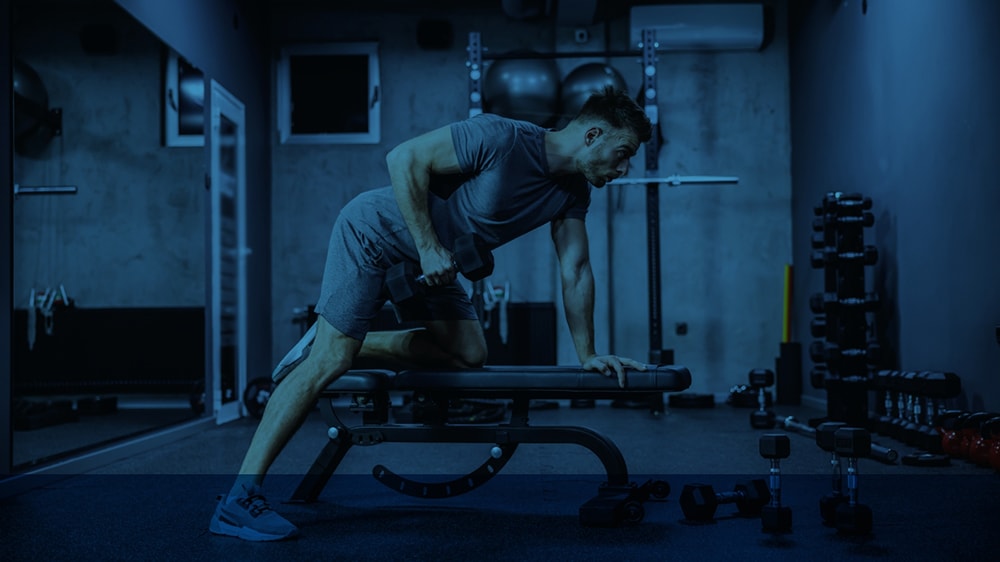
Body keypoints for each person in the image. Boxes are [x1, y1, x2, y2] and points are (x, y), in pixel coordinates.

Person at [209, 86, 654, 541]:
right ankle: (238, 501)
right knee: (331, 360)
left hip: (433, 265)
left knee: (466, 354)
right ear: (593, 134)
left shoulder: (572, 192)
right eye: (622, 155)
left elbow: (575, 268)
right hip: (375, 234)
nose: (622, 170)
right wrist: (426, 248)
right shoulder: (501, 137)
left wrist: (589, 354)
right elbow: (404, 158)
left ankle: (332, 342)